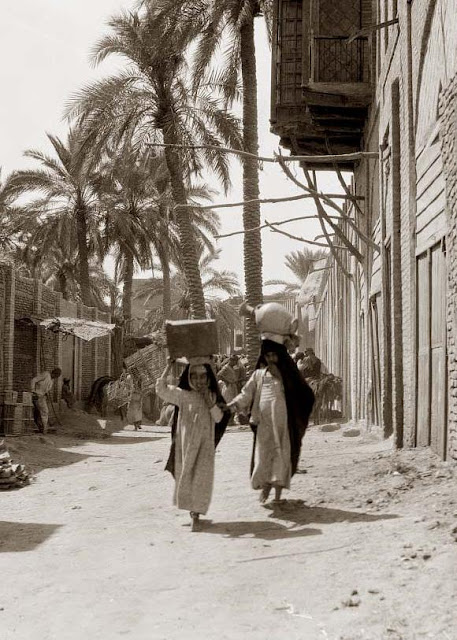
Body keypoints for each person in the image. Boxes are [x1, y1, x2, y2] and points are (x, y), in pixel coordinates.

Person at [227, 340, 314, 504]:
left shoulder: (287, 376)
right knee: (263, 456)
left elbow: (302, 393)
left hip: (282, 425)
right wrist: (232, 406)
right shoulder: (258, 375)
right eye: (268, 356)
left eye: (275, 355)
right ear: (264, 357)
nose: (272, 359)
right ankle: (266, 486)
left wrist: (281, 377)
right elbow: (246, 394)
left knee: (281, 456)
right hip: (264, 424)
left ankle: (277, 497)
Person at [156, 358, 230, 531]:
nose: (199, 380)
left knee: (201, 479)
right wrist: (168, 366)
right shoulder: (183, 395)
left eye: (203, 376)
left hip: (205, 446)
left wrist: (208, 401)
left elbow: (219, 418)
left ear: (209, 378)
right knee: (187, 477)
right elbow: (161, 389)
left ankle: (196, 515)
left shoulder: (213, 396)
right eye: (194, 376)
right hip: (186, 446)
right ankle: (192, 513)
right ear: (188, 377)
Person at [31, 368, 62, 433]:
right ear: (54, 373)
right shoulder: (46, 374)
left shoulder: (51, 381)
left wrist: (46, 394)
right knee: (45, 411)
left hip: (42, 396)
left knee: (39, 412)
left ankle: (42, 427)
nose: (55, 378)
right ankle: (44, 428)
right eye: (56, 376)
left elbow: (46, 389)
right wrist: (33, 391)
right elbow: (34, 380)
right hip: (37, 395)